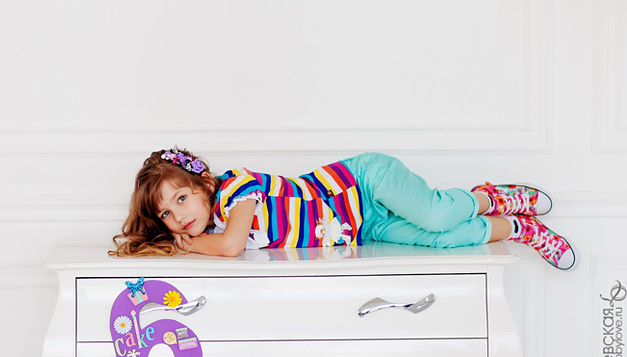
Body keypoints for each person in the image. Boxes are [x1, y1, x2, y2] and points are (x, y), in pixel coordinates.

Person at [112, 148, 577, 270]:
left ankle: (491, 197)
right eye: (166, 215)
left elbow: (233, 246)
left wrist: (187, 245)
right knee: (442, 241)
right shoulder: (215, 228)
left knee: (436, 214)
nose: (179, 216)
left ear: (205, 184)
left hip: (363, 182)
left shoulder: (236, 187)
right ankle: (517, 228)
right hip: (361, 225)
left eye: (181, 198)